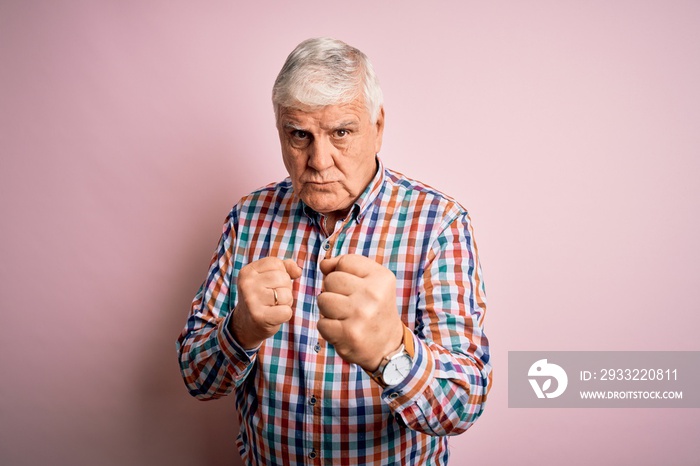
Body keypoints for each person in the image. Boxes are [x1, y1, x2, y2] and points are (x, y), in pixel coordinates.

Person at [177, 37, 491, 465]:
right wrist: (241, 331)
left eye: (341, 132)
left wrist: (390, 351)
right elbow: (196, 377)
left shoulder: (438, 223)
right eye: (299, 135)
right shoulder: (247, 218)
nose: (319, 160)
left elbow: (463, 404)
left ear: (377, 128)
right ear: (280, 133)